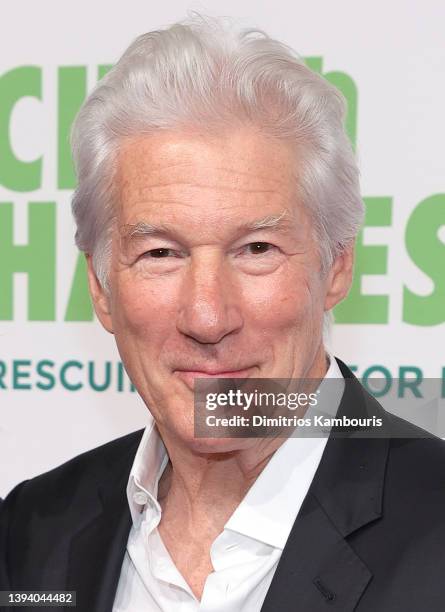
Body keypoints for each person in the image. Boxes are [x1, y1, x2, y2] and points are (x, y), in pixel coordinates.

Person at [1, 14, 445, 612]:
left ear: (336, 266)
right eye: (161, 253)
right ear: (101, 287)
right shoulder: (29, 534)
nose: (208, 317)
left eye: (256, 249)